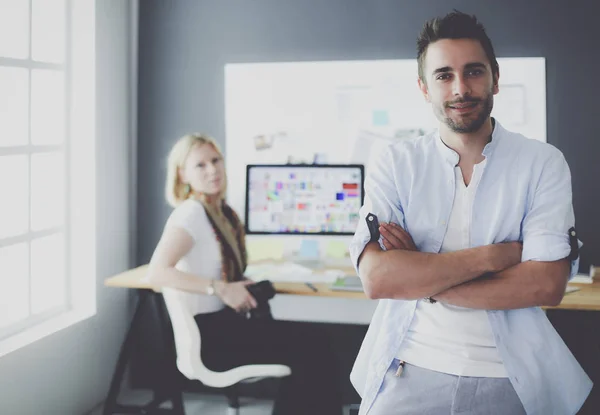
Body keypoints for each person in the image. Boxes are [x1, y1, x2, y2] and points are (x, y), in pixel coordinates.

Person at [349, 11, 593, 415]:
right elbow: (377, 279)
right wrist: (493, 257)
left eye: (473, 72)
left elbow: (545, 286)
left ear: (496, 77)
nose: (460, 88)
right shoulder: (394, 162)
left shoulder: (542, 163)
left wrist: (422, 276)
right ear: (425, 88)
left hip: (510, 378)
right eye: (444, 75)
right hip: (406, 371)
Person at [146, 133, 342, 415]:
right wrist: (222, 288)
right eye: (200, 165)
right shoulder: (190, 214)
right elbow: (157, 272)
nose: (212, 170)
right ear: (182, 174)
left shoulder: (220, 213)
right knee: (313, 347)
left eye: (216, 160)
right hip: (212, 336)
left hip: (225, 325)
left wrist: (235, 284)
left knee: (313, 345)